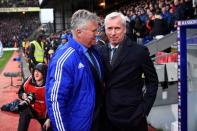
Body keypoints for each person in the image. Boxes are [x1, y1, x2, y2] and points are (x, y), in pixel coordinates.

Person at [98, 12, 158, 131]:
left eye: (117, 28)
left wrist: (144, 109)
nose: (113, 33)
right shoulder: (99, 51)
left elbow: (152, 81)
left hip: (133, 117)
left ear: (124, 29)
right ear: (105, 29)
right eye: (109, 28)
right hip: (107, 117)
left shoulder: (139, 51)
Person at [45, 9, 104, 131]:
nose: (97, 33)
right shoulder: (64, 58)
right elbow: (55, 100)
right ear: (79, 32)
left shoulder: (94, 51)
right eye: (93, 31)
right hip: (79, 126)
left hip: (98, 121)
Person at [17, 63, 52, 131]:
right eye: (35, 71)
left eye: (39, 71)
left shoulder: (49, 85)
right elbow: (20, 92)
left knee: (48, 128)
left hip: (45, 114)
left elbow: (55, 104)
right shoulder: (28, 81)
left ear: (44, 73)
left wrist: (49, 119)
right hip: (33, 110)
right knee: (24, 110)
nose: (36, 73)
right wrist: (23, 95)